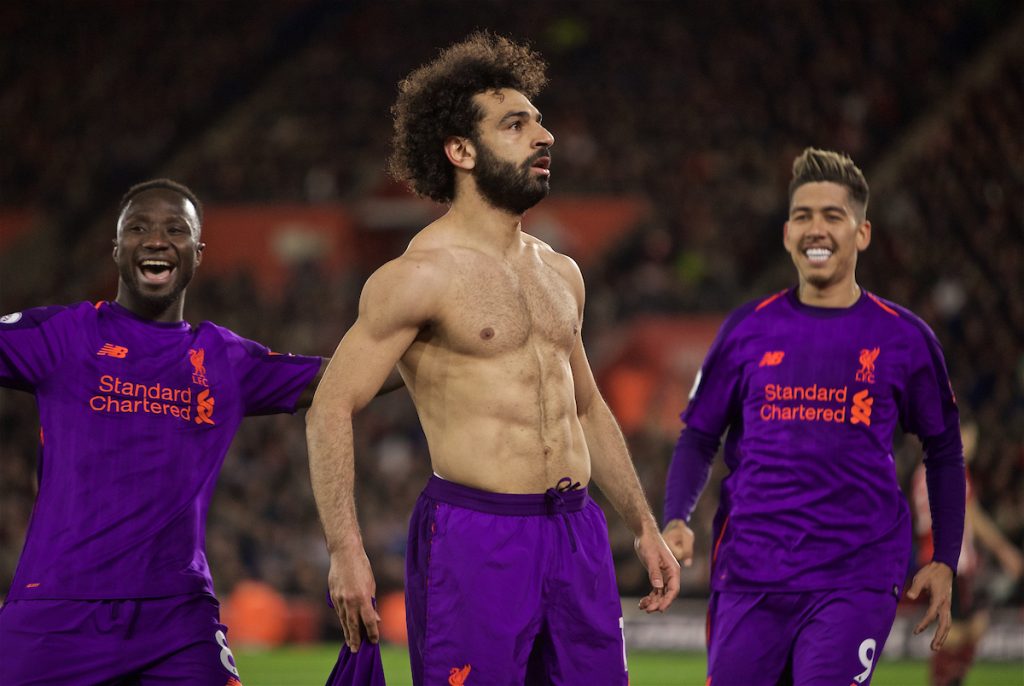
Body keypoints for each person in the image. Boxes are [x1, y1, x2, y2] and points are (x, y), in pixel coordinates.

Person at [306, 32, 680, 686]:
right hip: (478, 539)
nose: (545, 136)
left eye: (538, 119)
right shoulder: (418, 276)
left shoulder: (561, 272)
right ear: (461, 150)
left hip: (578, 534)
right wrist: (346, 551)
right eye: (516, 124)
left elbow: (587, 406)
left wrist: (642, 524)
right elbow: (331, 405)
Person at [0, 179, 326, 685]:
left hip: (177, 617)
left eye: (176, 229)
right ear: (116, 249)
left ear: (197, 253)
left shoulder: (226, 359)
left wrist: (449, 340)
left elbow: (341, 378)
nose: (156, 239)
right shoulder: (64, 335)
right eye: (138, 228)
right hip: (56, 608)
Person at [661, 148, 966, 685]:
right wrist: (677, 518)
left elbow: (944, 450)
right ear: (786, 234)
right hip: (749, 574)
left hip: (855, 576)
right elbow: (698, 437)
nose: (815, 228)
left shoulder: (906, 338)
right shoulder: (745, 330)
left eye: (832, 215)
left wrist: (945, 554)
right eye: (803, 215)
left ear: (862, 233)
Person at [911, 419, 1024, 686]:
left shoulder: (923, 469)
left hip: (936, 560)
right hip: (952, 563)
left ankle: (950, 680)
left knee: (972, 626)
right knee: (960, 631)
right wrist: (1005, 551)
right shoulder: (954, 470)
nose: (973, 444)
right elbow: (973, 518)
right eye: (970, 437)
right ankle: (944, 681)